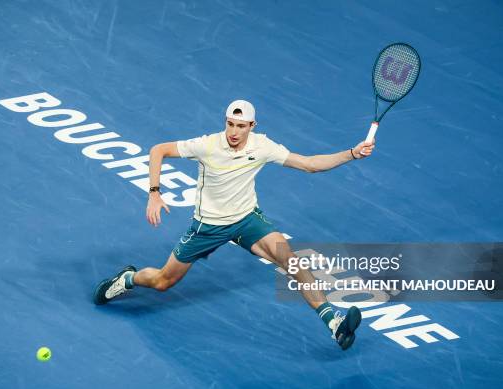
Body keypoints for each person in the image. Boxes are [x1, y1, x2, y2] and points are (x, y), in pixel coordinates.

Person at [93, 100, 375, 350]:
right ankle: (127, 279)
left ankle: (333, 323)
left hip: (245, 219)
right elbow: (158, 150)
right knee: (163, 282)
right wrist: (154, 193)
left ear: (252, 125)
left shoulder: (262, 145)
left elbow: (309, 164)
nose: (234, 131)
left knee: (290, 259)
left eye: (241, 126)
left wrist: (352, 153)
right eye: (230, 124)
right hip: (208, 226)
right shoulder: (207, 145)